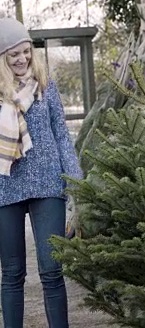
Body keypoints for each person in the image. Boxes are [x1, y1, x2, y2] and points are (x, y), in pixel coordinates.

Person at [0, 17, 82, 328]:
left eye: (26, 52)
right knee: (11, 273)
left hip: (48, 184)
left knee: (52, 271)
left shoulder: (46, 86)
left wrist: (74, 179)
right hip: (6, 187)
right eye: (13, 55)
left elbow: (61, 133)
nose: (22, 59)